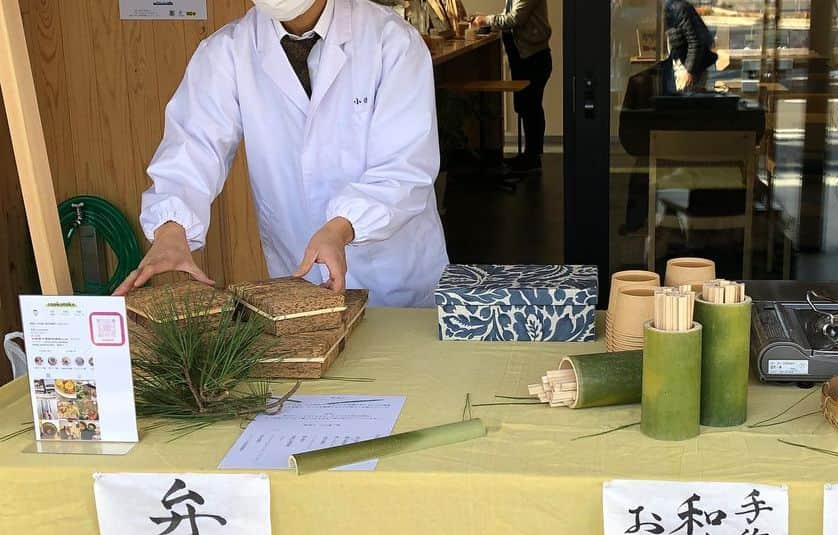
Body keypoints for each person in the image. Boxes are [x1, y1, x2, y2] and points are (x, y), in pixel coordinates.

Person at [116, 0, 449, 306]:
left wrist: (340, 228)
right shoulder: (229, 51)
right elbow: (192, 149)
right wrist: (171, 232)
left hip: (397, 284)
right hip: (301, 284)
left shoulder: (391, 41)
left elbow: (404, 168)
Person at [473, 0, 553, 173]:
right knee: (527, 107)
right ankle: (530, 156)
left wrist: (486, 19)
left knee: (531, 107)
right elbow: (509, 17)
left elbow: (515, 18)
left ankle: (532, 157)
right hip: (524, 57)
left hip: (533, 57)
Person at [664, 0, 716, 93]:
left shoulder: (678, 8)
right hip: (681, 63)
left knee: (688, 103)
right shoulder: (669, 8)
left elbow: (696, 41)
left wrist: (689, 71)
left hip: (689, 66)